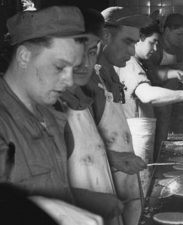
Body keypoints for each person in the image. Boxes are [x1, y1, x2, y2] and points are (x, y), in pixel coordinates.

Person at [0, 6, 104, 225]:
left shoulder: (51, 116)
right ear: (24, 56)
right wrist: (40, 208)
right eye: (59, 67)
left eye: (73, 68)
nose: (68, 81)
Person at [113, 14, 183, 195]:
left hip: (145, 127)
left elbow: (155, 75)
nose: (156, 49)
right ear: (138, 40)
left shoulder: (141, 62)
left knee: (143, 184)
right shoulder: (129, 62)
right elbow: (146, 94)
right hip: (136, 131)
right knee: (139, 189)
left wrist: (175, 73)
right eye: (152, 43)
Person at [51, 8, 124, 224]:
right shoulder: (51, 110)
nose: (84, 63)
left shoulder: (84, 101)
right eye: (76, 52)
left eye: (92, 52)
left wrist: (116, 159)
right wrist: (93, 201)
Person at [82, 6, 147, 225]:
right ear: (106, 36)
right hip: (99, 199)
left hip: (125, 193)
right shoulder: (85, 82)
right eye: (128, 42)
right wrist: (115, 158)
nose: (131, 52)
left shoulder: (110, 75)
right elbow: (74, 151)